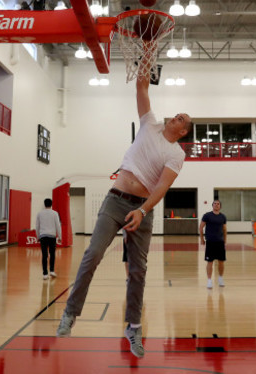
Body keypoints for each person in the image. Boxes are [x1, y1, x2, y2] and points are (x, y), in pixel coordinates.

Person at [56, 69, 192, 359]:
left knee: (137, 270)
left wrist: (142, 211)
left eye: (182, 119)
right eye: (177, 114)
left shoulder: (177, 155)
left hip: (142, 209)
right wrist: (146, 51)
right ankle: (70, 312)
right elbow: (142, 86)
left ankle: (134, 327)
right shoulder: (149, 124)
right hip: (115, 201)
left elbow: (162, 186)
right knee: (92, 254)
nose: (177, 117)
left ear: (182, 132)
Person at [199, 199, 227, 289]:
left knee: (221, 262)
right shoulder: (207, 216)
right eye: (215, 204)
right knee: (209, 262)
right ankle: (209, 281)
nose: (216, 205)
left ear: (220, 206)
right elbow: (201, 227)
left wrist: (225, 240)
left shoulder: (223, 217)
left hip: (220, 242)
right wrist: (202, 239)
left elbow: (224, 229)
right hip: (210, 242)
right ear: (212, 205)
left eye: (218, 204)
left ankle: (220, 278)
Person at [35, 198, 62, 280]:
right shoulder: (55, 213)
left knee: (44, 255)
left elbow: (37, 226)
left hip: (43, 236)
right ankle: (52, 271)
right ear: (51, 204)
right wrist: (60, 236)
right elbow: (58, 225)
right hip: (52, 236)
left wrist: (37, 236)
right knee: (52, 254)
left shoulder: (39, 213)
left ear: (44, 204)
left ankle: (45, 274)